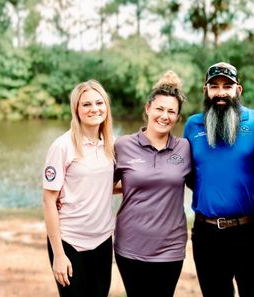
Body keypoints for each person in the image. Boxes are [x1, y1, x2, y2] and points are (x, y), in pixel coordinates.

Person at [183, 62, 254, 297]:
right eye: (214, 86)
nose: (221, 92)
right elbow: (190, 174)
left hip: (251, 231)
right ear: (205, 90)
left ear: (238, 90)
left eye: (227, 86)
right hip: (207, 233)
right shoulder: (193, 125)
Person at [113, 71, 192, 297]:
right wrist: (64, 198)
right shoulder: (123, 145)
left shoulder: (185, 148)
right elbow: (102, 185)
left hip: (171, 247)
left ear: (177, 117)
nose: (164, 116)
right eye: (159, 109)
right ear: (148, 108)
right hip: (130, 244)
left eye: (171, 111)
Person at [42, 80, 115, 297]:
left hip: (102, 241)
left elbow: (106, 184)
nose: (94, 109)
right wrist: (58, 254)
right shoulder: (62, 146)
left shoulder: (110, 144)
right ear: (76, 109)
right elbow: (48, 201)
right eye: (86, 104)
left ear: (106, 106)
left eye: (99, 102)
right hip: (70, 243)